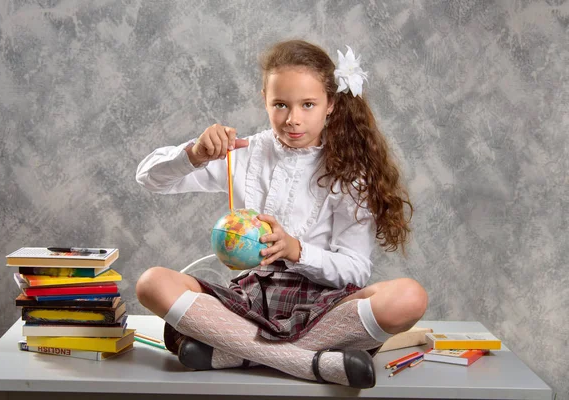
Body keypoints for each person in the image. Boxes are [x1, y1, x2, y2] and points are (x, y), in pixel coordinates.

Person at [135, 40, 428, 389]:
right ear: (264, 99)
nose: (293, 119)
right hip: (251, 299)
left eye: (308, 105)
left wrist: (296, 250)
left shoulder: (350, 172)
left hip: (323, 308)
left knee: (410, 297)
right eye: (280, 105)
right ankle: (306, 363)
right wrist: (196, 154)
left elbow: (355, 270)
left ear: (331, 104)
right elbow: (149, 179)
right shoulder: (242, 155)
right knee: (152, 282)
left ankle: (235, 351)